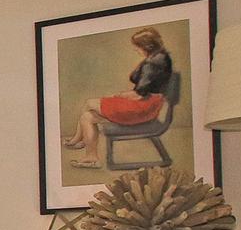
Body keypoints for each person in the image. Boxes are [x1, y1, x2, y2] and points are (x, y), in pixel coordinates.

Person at [63, 26, 174, 170]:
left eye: (137, 46)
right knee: (87, 117)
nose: (135, 49)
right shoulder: (162, 57)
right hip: (148, 104)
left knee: (90, 103)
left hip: (142, 108)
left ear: (147, 46)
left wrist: (120, 96)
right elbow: (147, 89)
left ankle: (80, 141)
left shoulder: (152, 64)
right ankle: (89, 154)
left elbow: (139, 94)